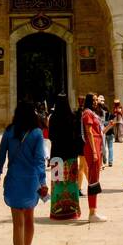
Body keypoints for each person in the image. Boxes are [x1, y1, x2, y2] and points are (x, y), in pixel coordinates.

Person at [0, 102, 48, 245]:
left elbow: (1, 154)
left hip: (14, 179)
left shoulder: (10, 131)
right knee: (29, 219)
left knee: (17, 224)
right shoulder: (36, 133)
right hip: (31, 181)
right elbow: (40, 160)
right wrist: (43, 182)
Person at [46, 92, 83, 221]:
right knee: (72, 183)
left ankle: (57, 211)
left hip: (57, 156)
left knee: (58, 184)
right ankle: (72, 211)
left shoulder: (53, 118)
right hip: (71, 156)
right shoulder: (72, 117)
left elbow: (50, 136)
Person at [81, 93, 107, 222]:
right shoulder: (87, 113)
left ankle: (93, 211)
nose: (96, 102)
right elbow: (89, 132)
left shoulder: (91, 113)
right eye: (95, 100)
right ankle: (92, 213)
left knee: (95, 178)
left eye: (97, 100)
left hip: (96, 146)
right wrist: (95, 152)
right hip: (93, 147)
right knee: (93, 179)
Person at [99, 94, 117, 167]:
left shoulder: (100, 114)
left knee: (103, 147)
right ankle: (110, 161)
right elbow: (114, 123)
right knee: (110, 147)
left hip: (103, 132)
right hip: (110, 132)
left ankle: (104, 160)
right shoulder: (111, 114)